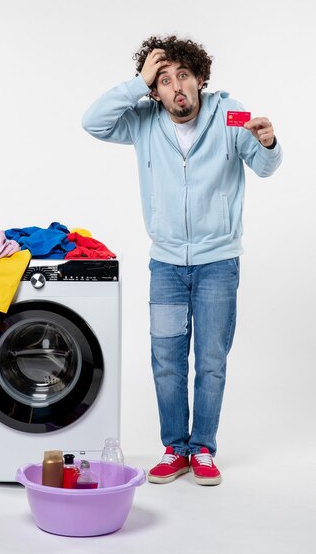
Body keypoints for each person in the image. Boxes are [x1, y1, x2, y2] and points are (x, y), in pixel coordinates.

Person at [82, 35, 282, 486]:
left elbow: (266, 168)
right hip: (167, 267)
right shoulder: (143, 121)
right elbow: (92, 123)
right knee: (167, 360)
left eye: (183, 76)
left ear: (200, 78)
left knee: (211, 359)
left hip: (218, 264)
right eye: (164, 80)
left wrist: (269, 144)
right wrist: (138, 83)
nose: (176, 88)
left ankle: (203, 449)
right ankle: (174, 448)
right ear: (154, 90)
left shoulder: (231, 115)